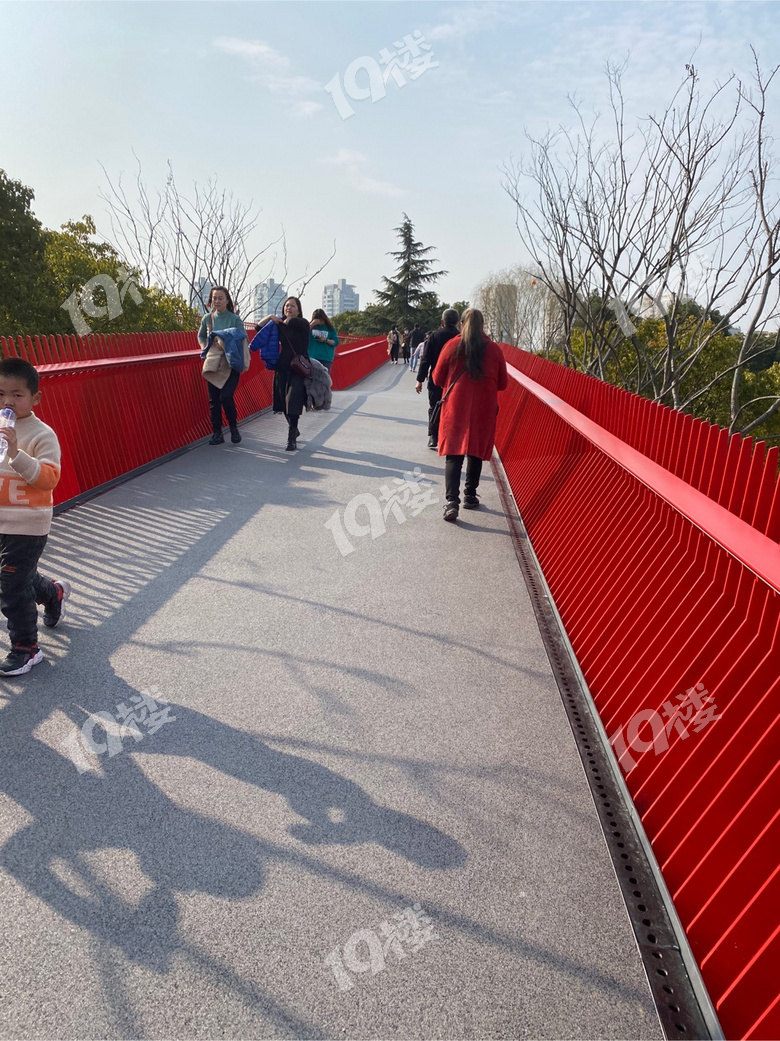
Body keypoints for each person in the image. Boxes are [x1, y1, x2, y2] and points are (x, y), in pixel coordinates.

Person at [0, 358, 70, 676]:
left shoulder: (42, 435)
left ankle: (26, 648)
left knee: (11, 584)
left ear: (35, 398)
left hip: (28, 523)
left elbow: (49, 479)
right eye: (1, 393)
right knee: (20, 578)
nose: (8, 402)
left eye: (17, 394)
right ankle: (52, 592)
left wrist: (15, 453)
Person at [432, 308, 508, 523]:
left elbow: (437, 378)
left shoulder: (452, 345)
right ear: (482, 325)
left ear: (461, 324)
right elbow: (503, 383)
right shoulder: (494, 350)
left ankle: (451, 502)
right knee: (475, 450)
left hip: (456, 406)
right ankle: (470, 496)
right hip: (483, 408)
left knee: (454, 454)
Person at [257, 296, 310, 451]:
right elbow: (258, 329)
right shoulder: (279, 324)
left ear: (299, 310)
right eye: (286, 306)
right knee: (282, 402)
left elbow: (294, 322)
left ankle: (291, 438)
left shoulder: (303, 323)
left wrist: (285, 320)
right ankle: (294, 428)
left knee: (293, 399)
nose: (289, 308)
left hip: (298, 368)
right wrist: (270, 317)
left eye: (292, 306)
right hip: (282, 367)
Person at [197, 286, 246, 445]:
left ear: (227, 300)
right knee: (214, 400)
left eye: (220, 298)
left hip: (230, 362)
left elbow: (242, 337)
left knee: (226, 396)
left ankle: (233, 427)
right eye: (214, 298)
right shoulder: (207, 318)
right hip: (213, 361)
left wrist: (225, 342)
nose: (216, 301)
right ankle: (217, 433)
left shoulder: (235, 319)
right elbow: (201, 335)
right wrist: (205, 346)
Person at [416, 308, 460, 449]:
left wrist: (420, 380)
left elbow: (425, 360)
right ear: (458, 322)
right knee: (453, 409)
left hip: (436, 378)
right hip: (455, 381)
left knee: (434, 407)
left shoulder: (434, 336)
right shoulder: (460, 338)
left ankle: (433, 437)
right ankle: (450, 438)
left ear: (442, 321)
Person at [308, 309, 339, 373]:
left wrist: (325, 340)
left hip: (325, 358)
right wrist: (311, 324)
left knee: (324, 379)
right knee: (311, 378)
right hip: (312, 356)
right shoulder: (311, 327)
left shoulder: (330, 328)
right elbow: (302, 334)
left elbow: (335, 342)